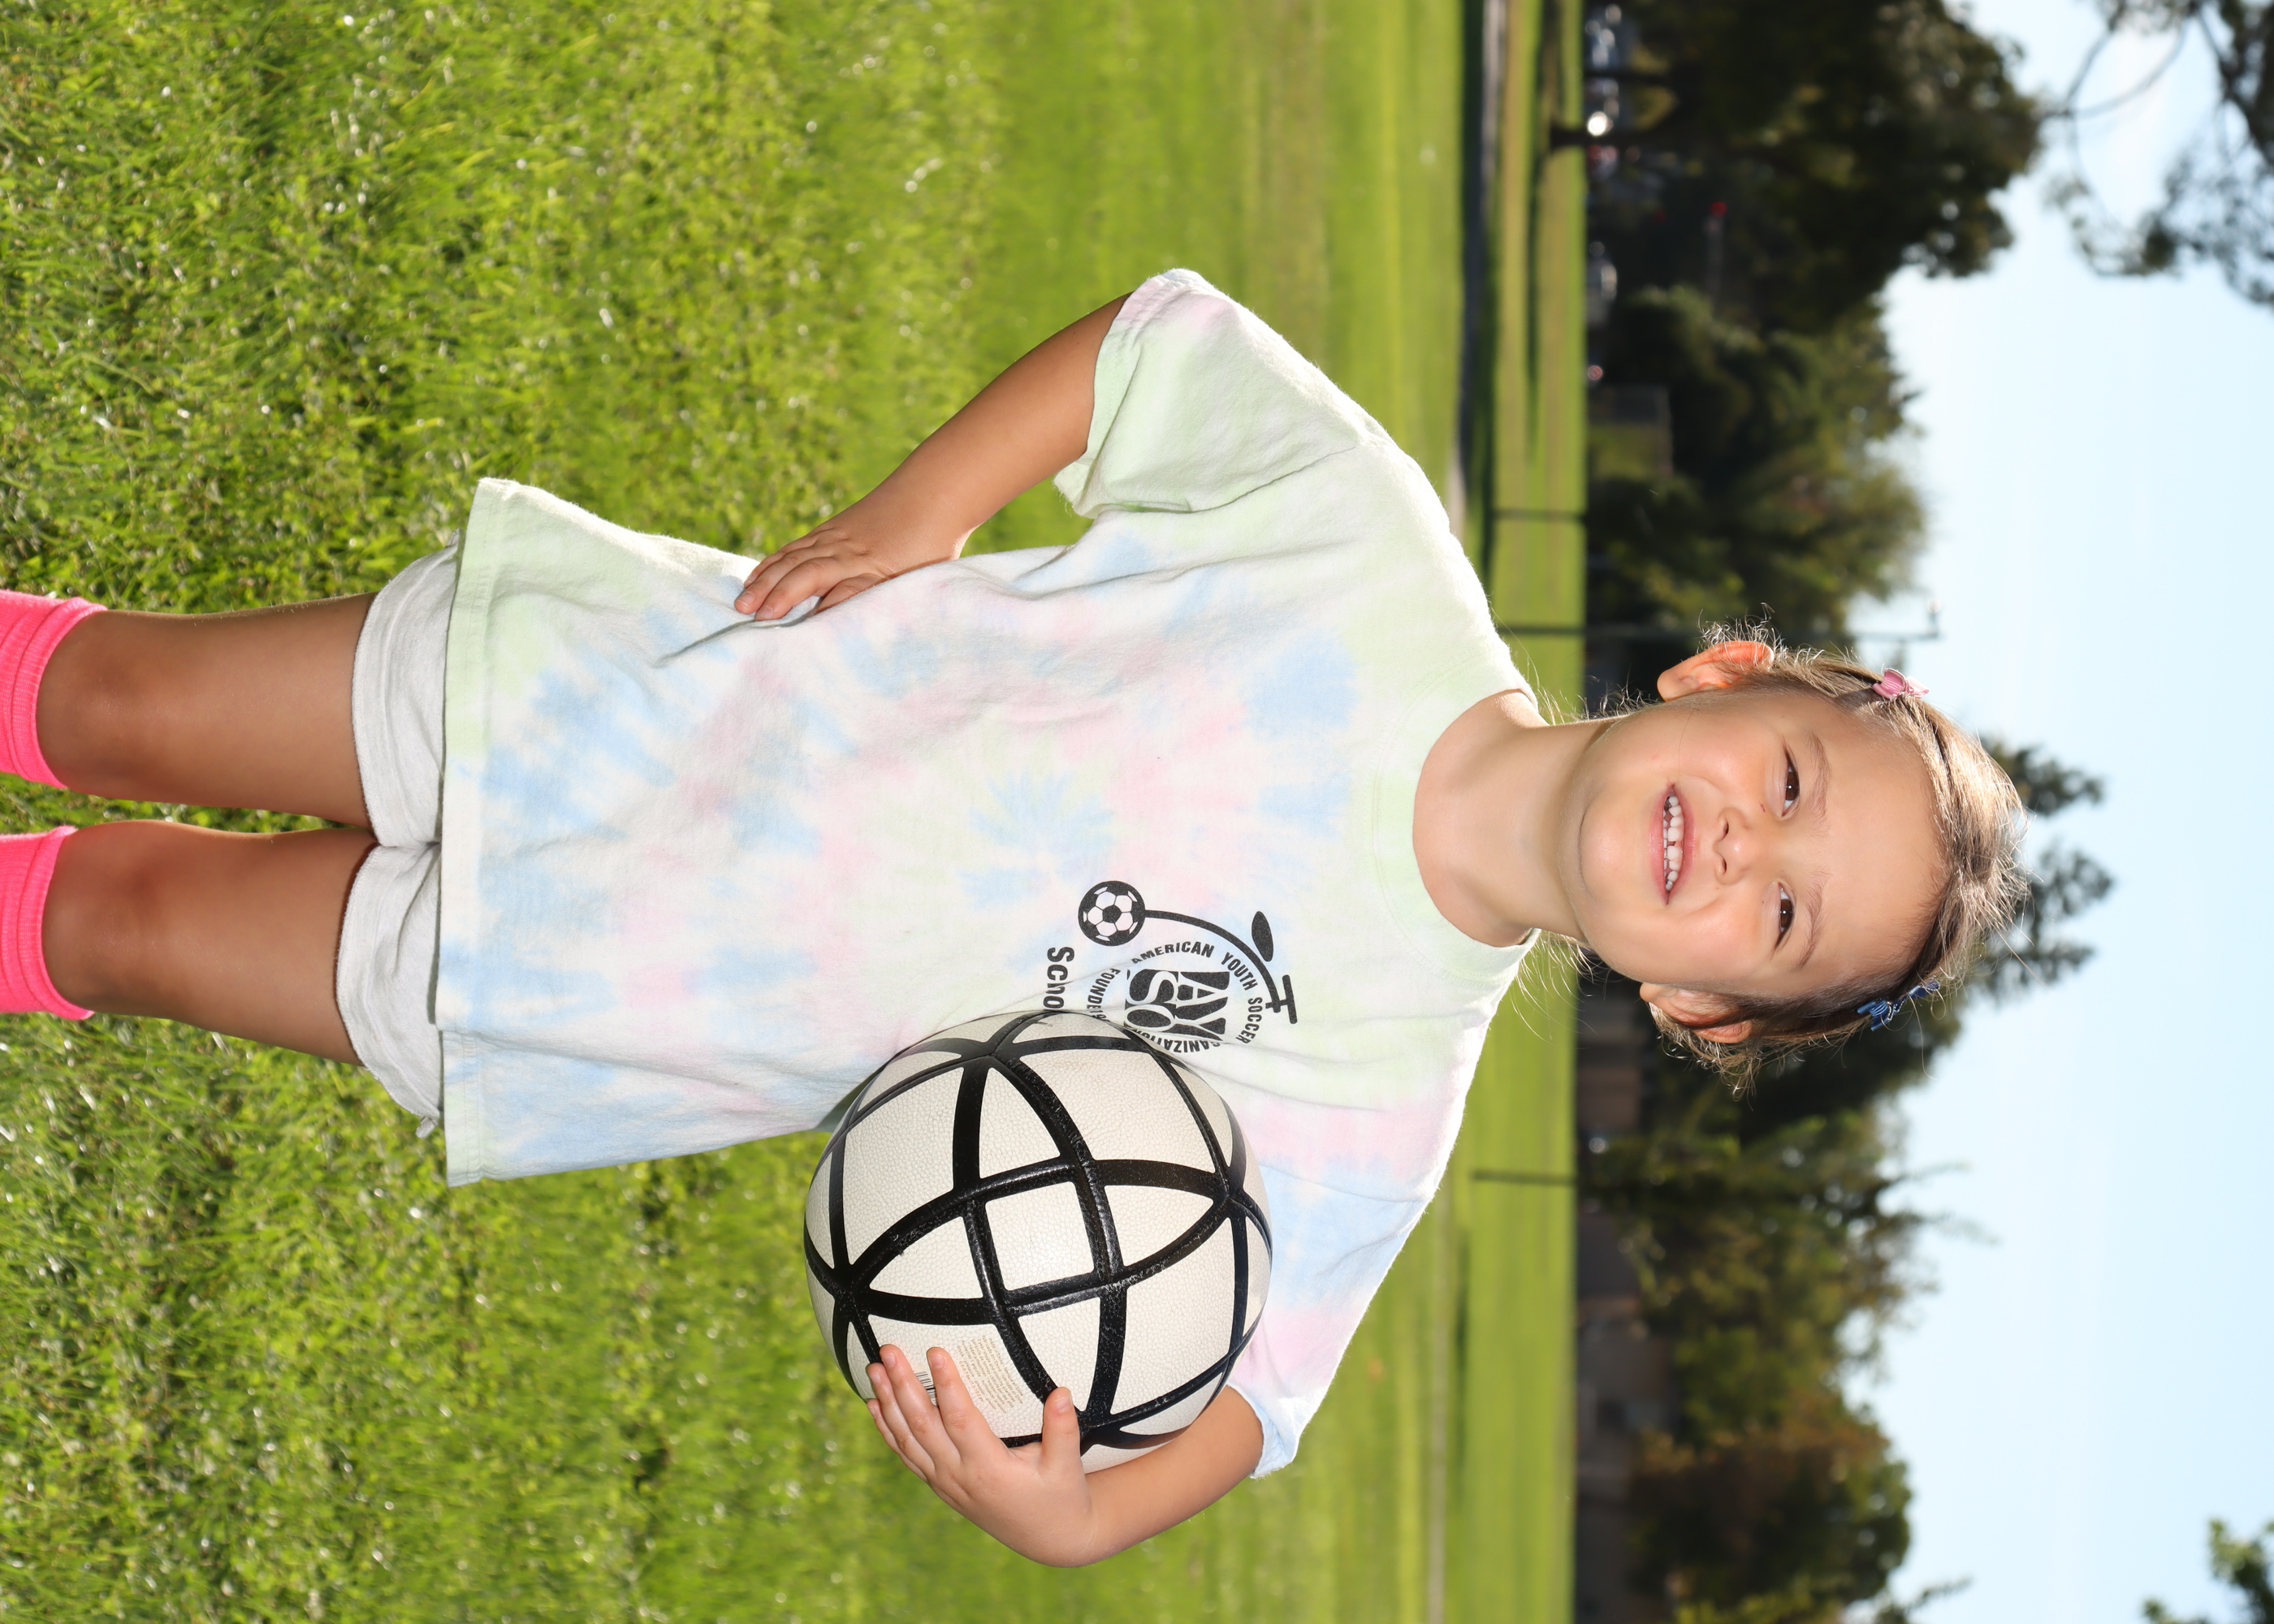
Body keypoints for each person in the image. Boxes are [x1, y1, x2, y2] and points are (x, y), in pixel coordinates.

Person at [0, 270, 2025, 1565]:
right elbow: (1156, 347)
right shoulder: (1372, 559)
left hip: (595, 1000)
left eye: (1779, 921)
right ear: (1720, 675)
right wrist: (930, 505)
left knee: (140, 928)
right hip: (611, 691)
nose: (1736, 853)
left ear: (1697, 1009)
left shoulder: (1381, 1091)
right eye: (1785, 783)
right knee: (132, 705)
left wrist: (1080, 1517)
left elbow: (1256, 1397)